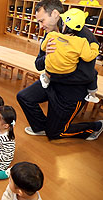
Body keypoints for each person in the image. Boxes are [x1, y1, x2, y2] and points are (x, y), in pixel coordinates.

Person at [16, 0, 103, 141]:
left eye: (42, 21)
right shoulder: (49, 33)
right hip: (52, 81)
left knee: (56, 134)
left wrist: (51, 75)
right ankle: (44, 127)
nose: (40, 26)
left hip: (72, 90)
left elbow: (86, 76)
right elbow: (38, 65)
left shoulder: (83, 36)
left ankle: (96, 126)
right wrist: (47, 57)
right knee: (24, 97)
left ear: (55, 14)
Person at [40, 8, 99, 103]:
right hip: (67, 71)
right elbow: (88, 57)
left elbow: (43, 47)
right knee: (94, 74)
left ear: (64, 24)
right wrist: (94, 46)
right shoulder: (82, 42)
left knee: (52, 62)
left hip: (50, 70)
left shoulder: (52, 35)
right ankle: (92, 94)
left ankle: (46, 79)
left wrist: (47, 49)